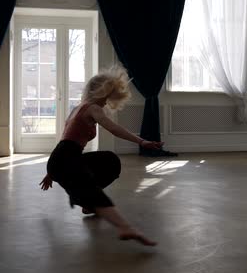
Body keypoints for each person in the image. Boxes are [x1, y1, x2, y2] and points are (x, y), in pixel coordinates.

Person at [39, 66, 162, 246]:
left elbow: (66, 139)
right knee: (89, 187)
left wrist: (51, 171)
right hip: (65, 160)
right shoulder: (93, 108)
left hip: (62, 159)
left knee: (110, 161)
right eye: (105, 98)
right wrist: (141, 141)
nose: (105, 104)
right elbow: (114, 129)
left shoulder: (78, 108)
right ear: (99, 92)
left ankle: (89, 204)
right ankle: (124, 226)